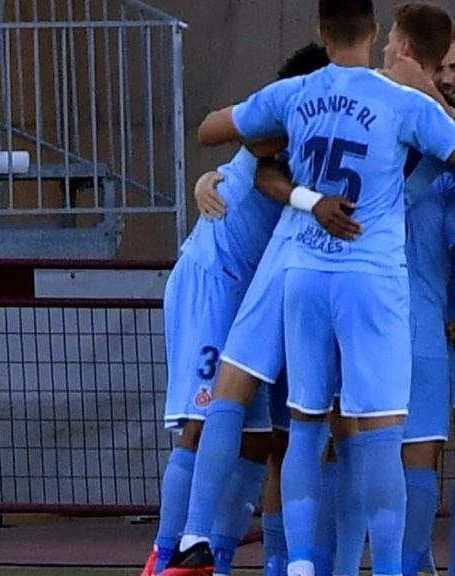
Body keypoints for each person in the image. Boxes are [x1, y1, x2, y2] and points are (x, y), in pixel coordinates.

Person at [185, 2, 455, 576]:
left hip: (305, 274)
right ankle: (387, 568)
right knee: (382, 438)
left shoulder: (299, 91)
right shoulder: (405, 104)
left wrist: (265, 151)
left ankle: (289, 562)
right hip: (373, 284)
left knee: (306, 425)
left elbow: (212, 129)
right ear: (381, 35)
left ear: (323, 32)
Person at [144, 43, 333, 576]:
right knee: (201, 425)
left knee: (262, 440)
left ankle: (223, 561)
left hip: (261, 292)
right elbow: (241, 144)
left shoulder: (329, 135)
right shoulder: (277, 127)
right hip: (214, 281)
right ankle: (165, 556)